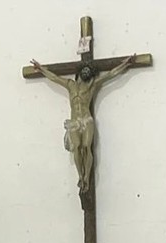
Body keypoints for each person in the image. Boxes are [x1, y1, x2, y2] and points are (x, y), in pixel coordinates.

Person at [29, 55, 137, 193]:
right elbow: (54, 78)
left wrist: (125, 64)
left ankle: (87, 177)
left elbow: (110, 74)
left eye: (89, 71)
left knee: (86, 147)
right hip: (74, 121)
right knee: (77, 147)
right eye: (84, 70)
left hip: (86, 120)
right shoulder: (70, 85)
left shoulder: (92, 85)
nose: (86, 72)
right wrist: (41, 69)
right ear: (79, 72)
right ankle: (80, 175)